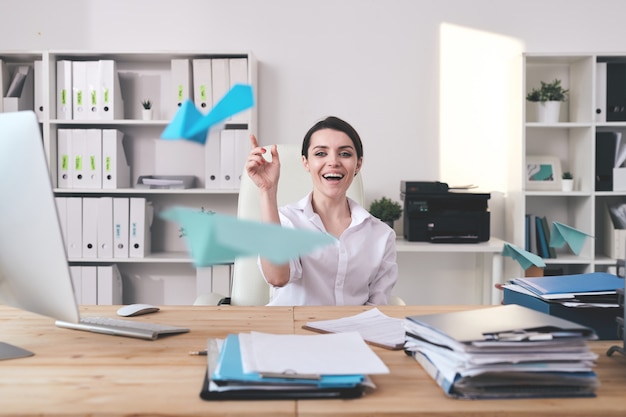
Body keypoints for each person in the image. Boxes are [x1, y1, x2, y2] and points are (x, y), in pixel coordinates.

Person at [245, 116, 397, 306]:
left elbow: (378, 308)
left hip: (354, 334)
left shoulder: (381, 235)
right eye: (320, 153)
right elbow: (277, 277)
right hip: (291, 333)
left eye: (345, 154)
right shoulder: (285, 221)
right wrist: (267, 190)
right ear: (306, 162)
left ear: (358, 164)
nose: (333, 162)